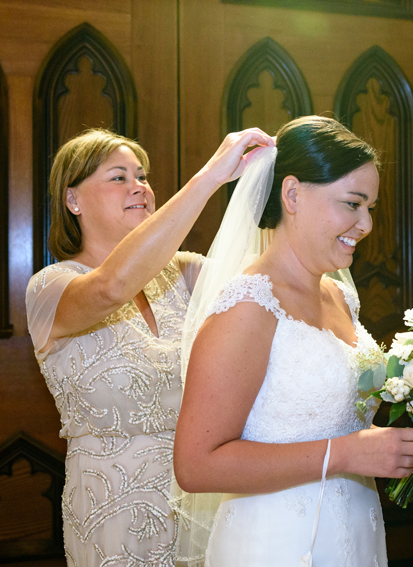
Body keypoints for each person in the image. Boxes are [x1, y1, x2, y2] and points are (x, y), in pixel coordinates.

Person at [174, 116, 413, 567]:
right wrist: (349, 453)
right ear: (292, 194)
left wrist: (396, 449)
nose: (366, 224)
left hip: (352, 531)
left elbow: (333, 421)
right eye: (352, 204)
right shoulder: (248, 306)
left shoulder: (336, 294)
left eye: (371, 207)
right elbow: (196, 465)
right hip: (277, 543)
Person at [25, 127, 272, 567]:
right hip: (112, 510)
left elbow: (271, 291)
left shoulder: (187, 274)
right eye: (118, 177)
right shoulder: (51, 289)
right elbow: (110, 288)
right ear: (73, 200)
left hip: (205, 499)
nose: (139, 186)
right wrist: (212, 176)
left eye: (142, 175)